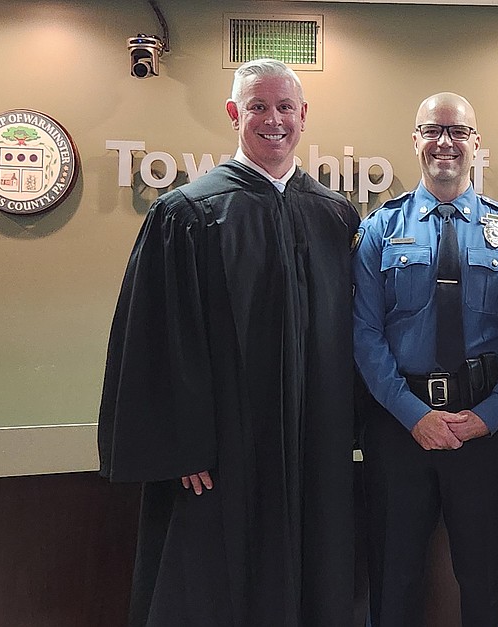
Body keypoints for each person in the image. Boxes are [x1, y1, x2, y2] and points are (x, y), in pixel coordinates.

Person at [98, 58, 360, 627]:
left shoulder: (334, 215)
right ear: (233, 113)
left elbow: (356, 333)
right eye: (258, 107)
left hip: (315, 445)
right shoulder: (189, 213)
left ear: (303, 115)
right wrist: (187, 445)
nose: (273, 120)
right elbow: (162, 341)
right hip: (223, 455)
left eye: (285, 107)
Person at [353, 92, 498, 626]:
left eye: (458, 132)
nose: (445, 142)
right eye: (433, 130)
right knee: (394, 580)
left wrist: (491, 414)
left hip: (483, 428)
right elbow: (365, 335)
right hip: (399, 428)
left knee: (486, 583)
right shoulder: (379, 231)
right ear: (415, 140)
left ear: (475, 143)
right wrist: (415, 418)